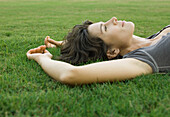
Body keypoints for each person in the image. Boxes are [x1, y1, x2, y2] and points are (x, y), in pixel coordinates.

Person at [26, 17, 170, 85]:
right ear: (112, 52)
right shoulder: (144, 58)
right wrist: (43, 58)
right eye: (105, 28)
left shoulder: (152, 39)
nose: (113, 19)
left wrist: (63, 44)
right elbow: (70, 74)